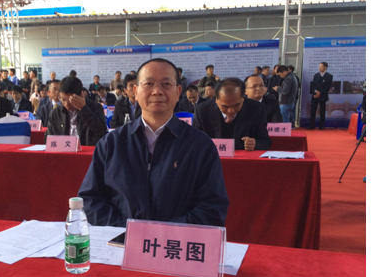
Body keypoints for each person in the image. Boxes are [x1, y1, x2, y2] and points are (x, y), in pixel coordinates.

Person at [78, 58, 229, 228]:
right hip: (121, 240)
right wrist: (128, 231)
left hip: (175, 242)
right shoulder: (111, 143)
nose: (157, 91)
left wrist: (161, 234)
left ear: (178, 91)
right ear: (135, 91)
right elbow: (90, 200)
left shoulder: (200, 146)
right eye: (148, 84)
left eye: (166, 84)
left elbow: (212, 208)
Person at [194, 77, 272, 151]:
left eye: (236, 105)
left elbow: (265, 142)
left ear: (243, 98)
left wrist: (255, 144)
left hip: (242, 158)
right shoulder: (202, 110)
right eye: (225, 106)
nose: (230, 111)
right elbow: (194, 140)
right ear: (216, 100)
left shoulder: (256, 109)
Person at [44, 76, 108, 146]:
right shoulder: (55, 113)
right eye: (63, 99)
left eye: (70, 100)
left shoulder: (95, 108)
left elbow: (101, 132)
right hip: (63, 151)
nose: (66, 104)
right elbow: (48, 140)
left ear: (81, 95)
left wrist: (83, 109)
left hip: (87, 151)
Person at [308, 62, 333, 130]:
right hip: (315, 95)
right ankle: (312, 125)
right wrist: (316, 91)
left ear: (325, 67)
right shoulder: (316, 75)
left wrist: (320, 93)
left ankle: (321, 125)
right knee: (313, 110)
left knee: (322, 111)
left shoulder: (329, 76)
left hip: (323, 96)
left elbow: (328, 87)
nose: (319, 68)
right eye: (319, 66)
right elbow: (313, 85)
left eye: (321, 66)